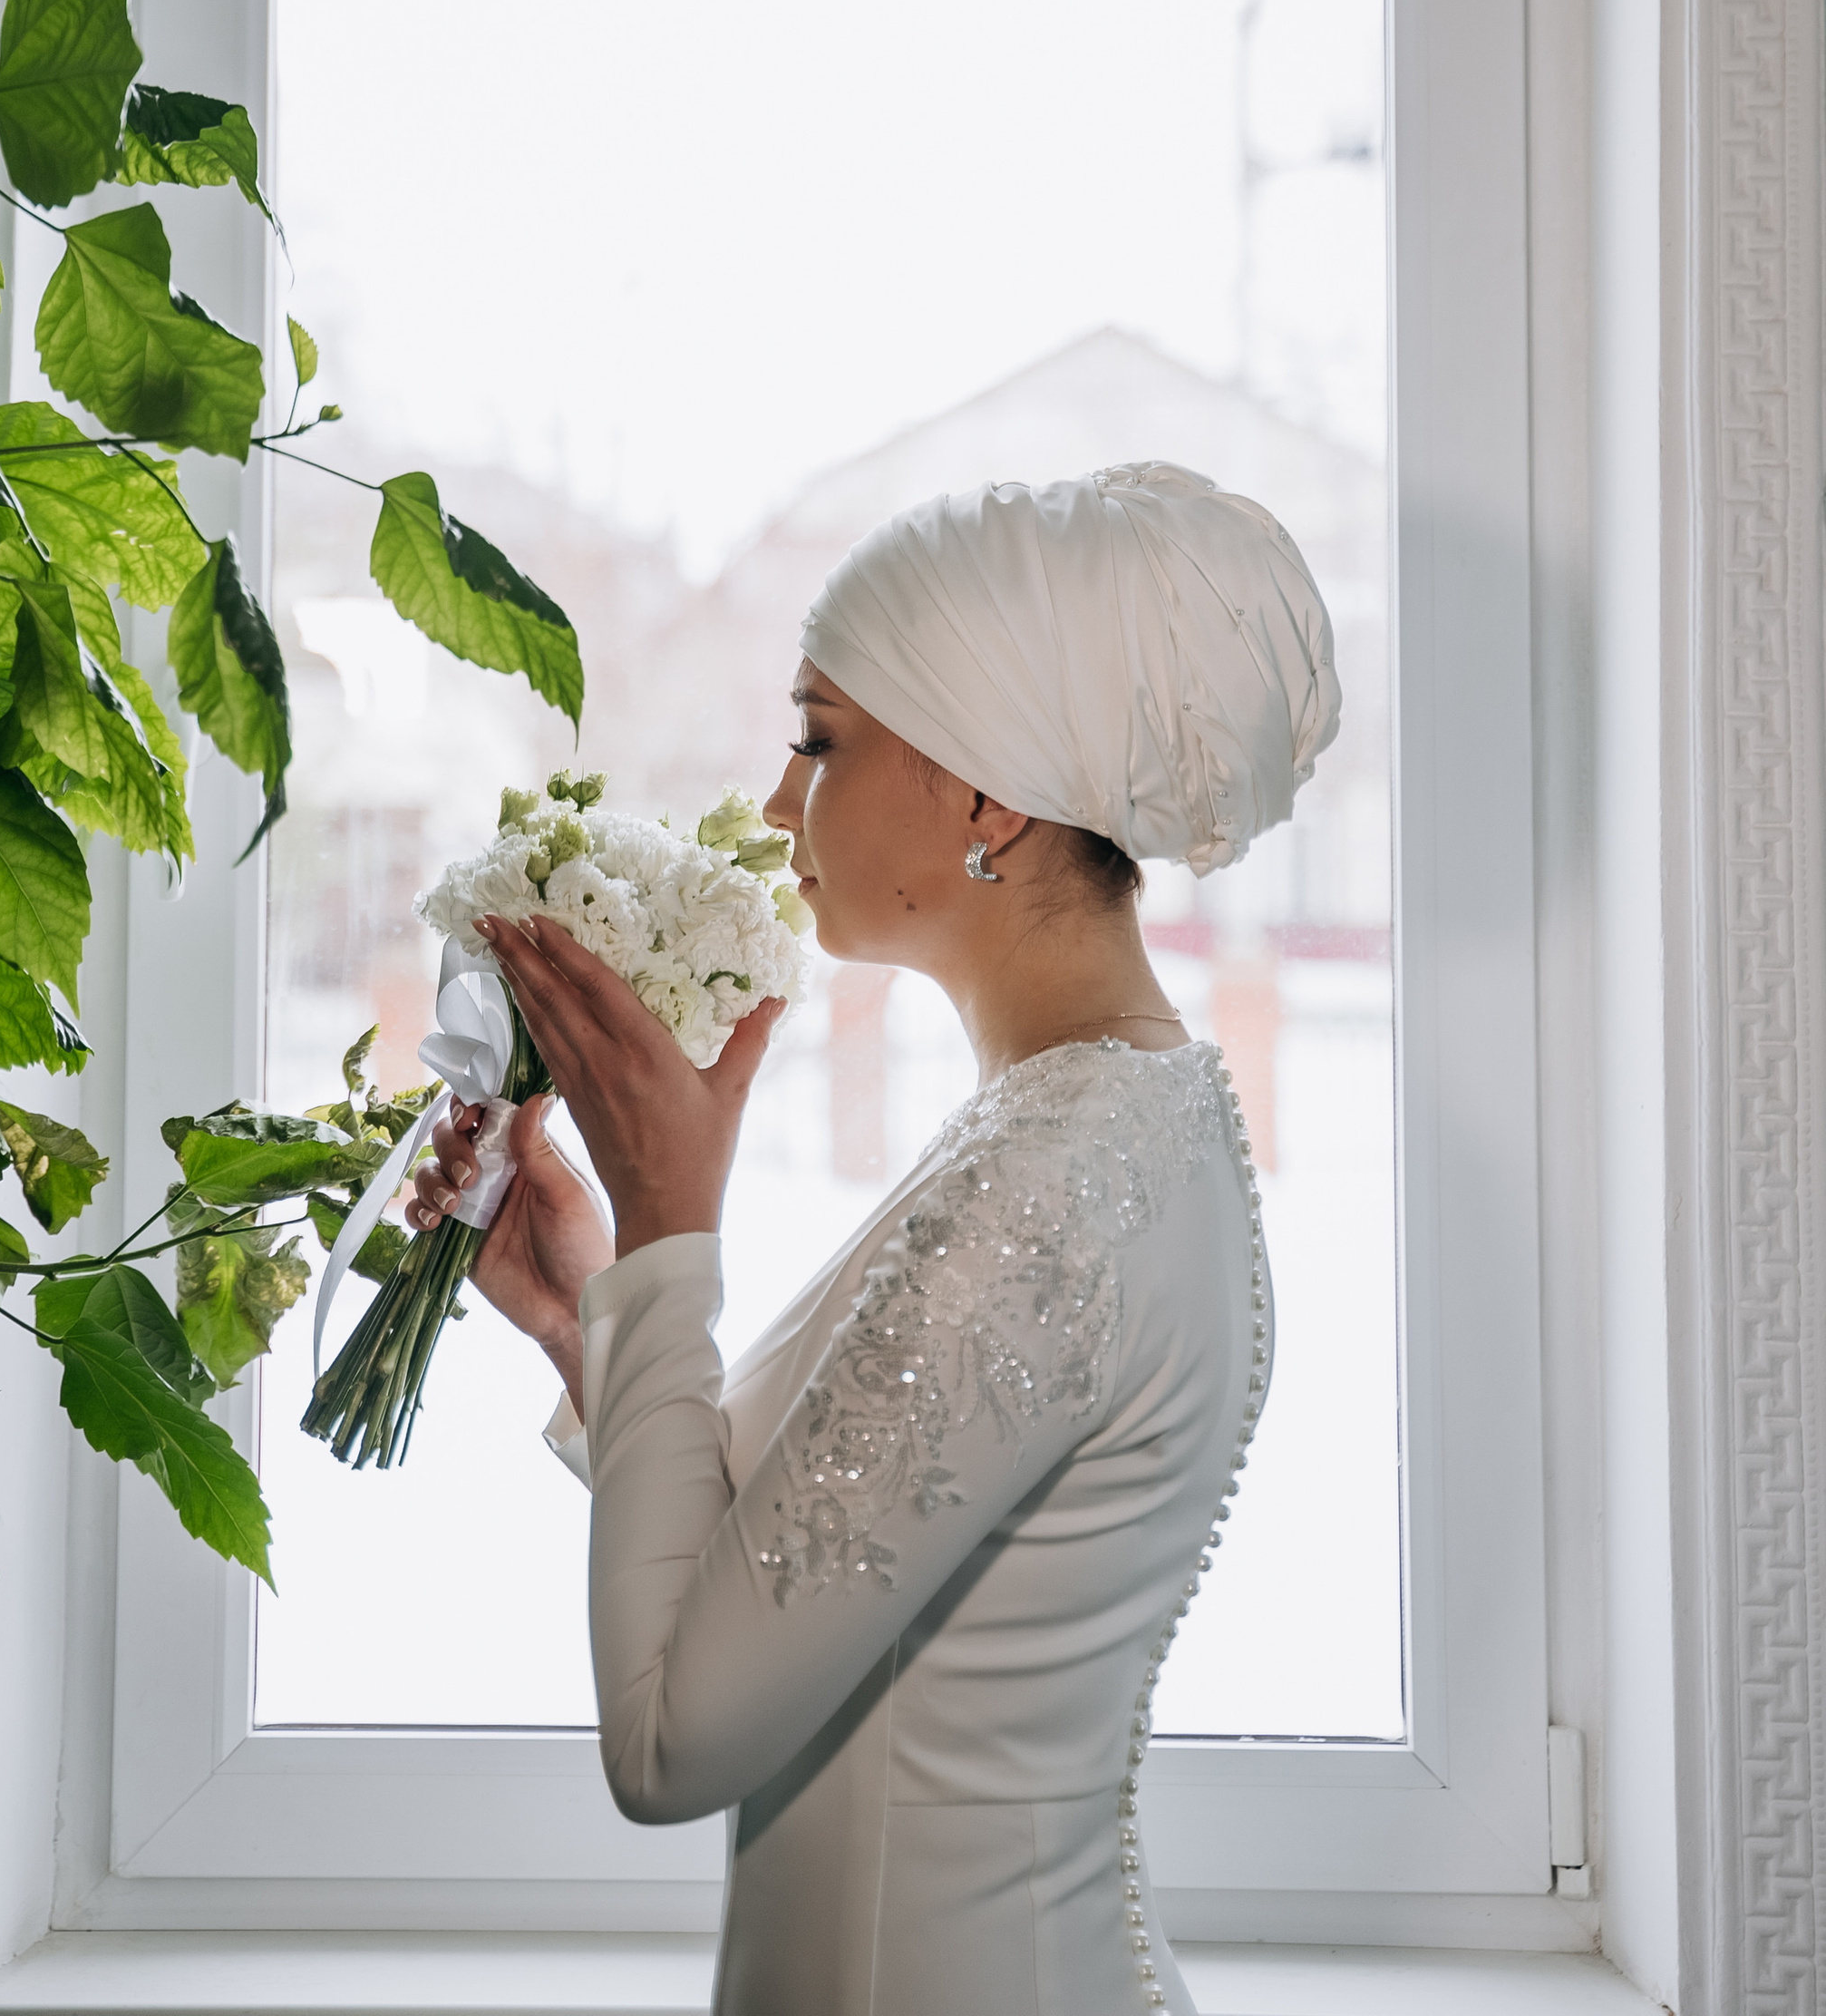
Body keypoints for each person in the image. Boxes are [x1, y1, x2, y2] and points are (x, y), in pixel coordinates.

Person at [407, 461, 1341, 2016]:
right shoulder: (1077, 1123)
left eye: (818, 743)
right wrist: (592, 1315)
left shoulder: (1056, 1181)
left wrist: (669, 1223)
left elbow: (669, 1746)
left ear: (983, 794)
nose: (780, 806)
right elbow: (812, 1565)